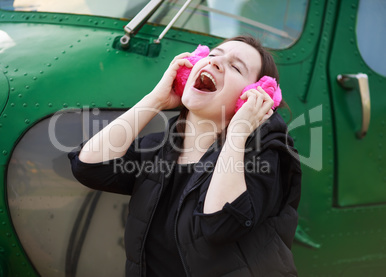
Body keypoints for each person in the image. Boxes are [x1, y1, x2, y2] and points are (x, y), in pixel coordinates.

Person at [68, 35, 301, 277]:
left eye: (235, 67)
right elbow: (89, 167)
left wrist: (239, 131)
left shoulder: (268, 156)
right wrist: (155, 100)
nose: (216, 63)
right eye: (212, 55)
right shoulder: (160, 148)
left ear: (252, 96)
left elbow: (220, 224)